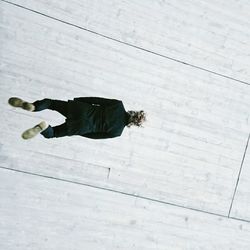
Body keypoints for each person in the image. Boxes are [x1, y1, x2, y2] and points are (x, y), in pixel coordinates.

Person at [8, 97, 146, 140]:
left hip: (82, 109)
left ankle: (33, 106)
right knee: (54, 133)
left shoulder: (118, 105)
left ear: (134, 112)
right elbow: (94, 136)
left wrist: (78, 100)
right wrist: (79, 131)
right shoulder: (117, 132)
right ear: (134, 124)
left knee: (51, 103)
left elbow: (96, 99)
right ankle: (43, 128)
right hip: (83, 127)